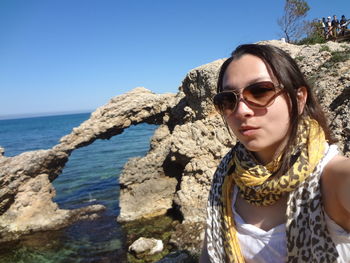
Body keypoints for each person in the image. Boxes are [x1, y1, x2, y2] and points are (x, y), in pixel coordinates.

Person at [199, 44, 350, 263]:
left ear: (299, 99)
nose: (242, 111)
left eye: (260, 91)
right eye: (228, 100)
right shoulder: (227, 176)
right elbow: (208, 252)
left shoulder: (330, 177)